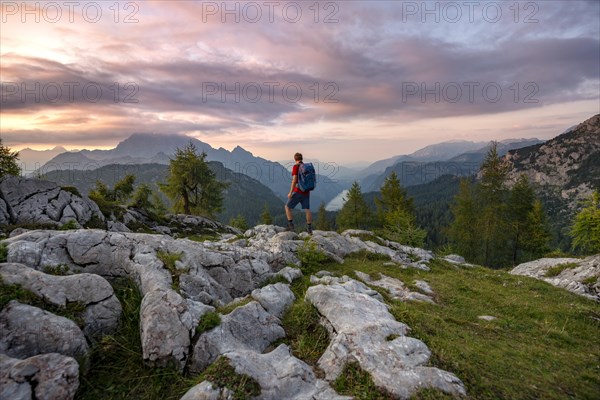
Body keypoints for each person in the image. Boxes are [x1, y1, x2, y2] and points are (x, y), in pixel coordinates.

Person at [285, 152, 313, 234]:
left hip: (298, 191)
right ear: (302, 158)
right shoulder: (306, 167)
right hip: (306, 191)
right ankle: (309, 229)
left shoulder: (296, 167)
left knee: (287, 207)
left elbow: (294, 180)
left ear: (295, 159)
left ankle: (291, 227)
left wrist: (290, 192)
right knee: (307, 209)